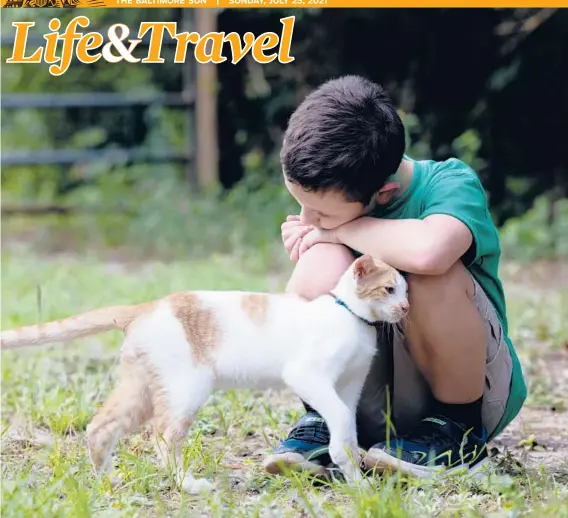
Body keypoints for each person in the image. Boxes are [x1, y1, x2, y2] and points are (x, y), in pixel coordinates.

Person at [263, 75, 526, 478]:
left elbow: (431, 250)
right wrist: (323, 239)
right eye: (300, 205)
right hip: (370, 388)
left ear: (383, 192)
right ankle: (324, 419)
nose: (305, 221)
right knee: (323, 262)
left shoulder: (448, 182)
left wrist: (337, 231)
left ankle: (455, 433)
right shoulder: (330, 204)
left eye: (322, 213)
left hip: (466, 390)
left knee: (429, 271)